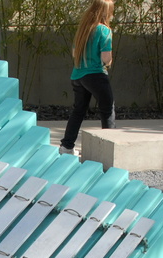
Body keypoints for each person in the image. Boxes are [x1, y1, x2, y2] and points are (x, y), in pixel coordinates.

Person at [59, 0, 116, 156]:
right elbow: (105, 58)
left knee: (78, 111)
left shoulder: (83, 29)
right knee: (107, 110)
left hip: (78, 75)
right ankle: (108, 150)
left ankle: (67, 147)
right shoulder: (104, 30)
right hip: (96, 75)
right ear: (106, 12)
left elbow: (74, 54)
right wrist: (109, 61)